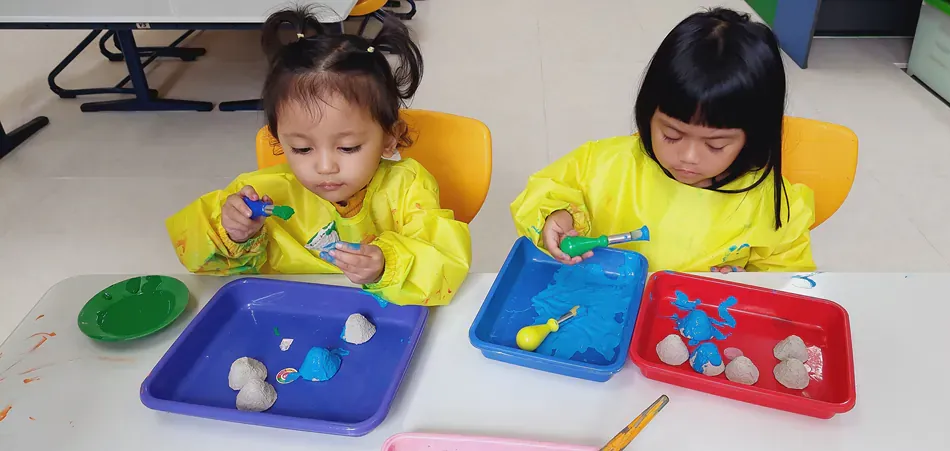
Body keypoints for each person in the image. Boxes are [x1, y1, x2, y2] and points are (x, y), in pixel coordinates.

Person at [166, 7, 471, 306]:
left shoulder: (407, 188)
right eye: (302, 149)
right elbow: (200, 263)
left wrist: (387, 265)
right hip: (291, 316)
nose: (325, 167)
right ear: (278, 141)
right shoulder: (265, 193)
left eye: (348, 147)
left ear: (389, 138)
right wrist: (233, 234)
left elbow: (447, 265)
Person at [510, 8, 815, 273]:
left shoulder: (770, 204)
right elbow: (544, 191)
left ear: (754, 135)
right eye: (671, 134)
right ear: (648, 113)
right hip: (606, 308)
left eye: (716, 145)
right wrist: (558, 216)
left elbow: (786, 273)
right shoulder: (606, 164)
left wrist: (748, 282)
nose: (689, 156)